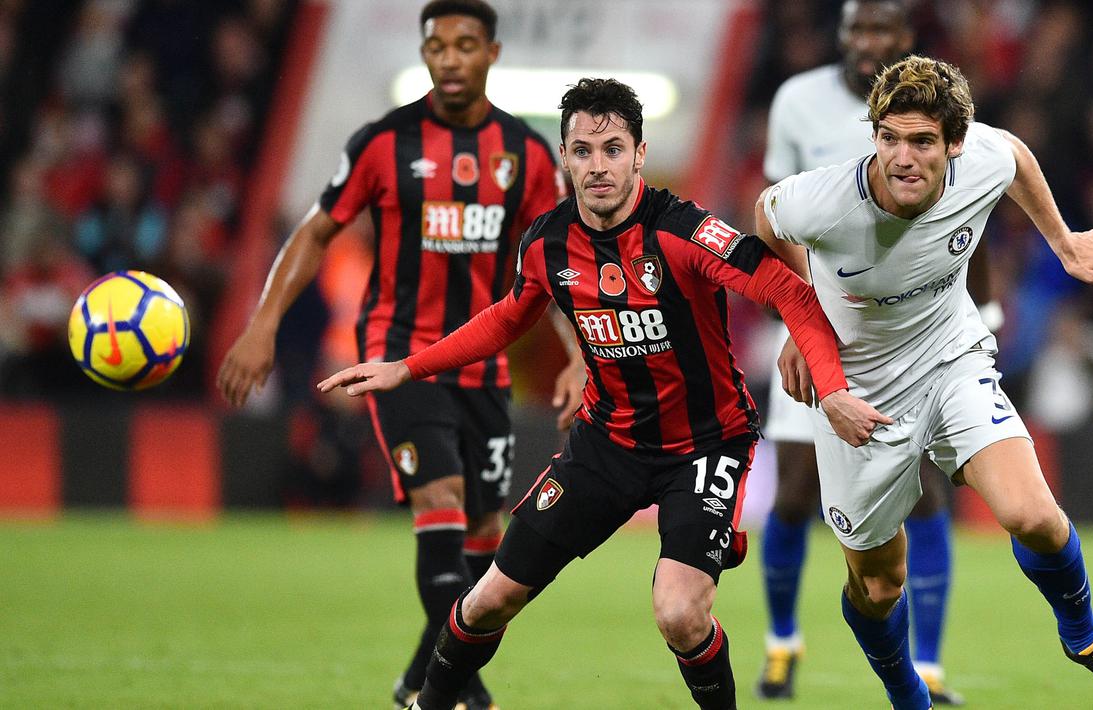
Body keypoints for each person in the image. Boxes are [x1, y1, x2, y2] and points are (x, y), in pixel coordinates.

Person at [318, 77, 889, 710]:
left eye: (613, 149)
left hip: (703, 448)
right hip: (606, 445)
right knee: (487, 601)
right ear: (564, 156)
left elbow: (792, 292)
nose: (598, 166)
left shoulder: (685, 232)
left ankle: (704, 539)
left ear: (639, 153)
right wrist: (410, 367)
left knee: (680, 614)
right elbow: (510, 316)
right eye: (583, 151)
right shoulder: (547, 242)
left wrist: (832, 391)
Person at [757, 55, 1093, 709]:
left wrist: (1061, 242)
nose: (902, 157)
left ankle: (1085, 637)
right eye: (889, 137)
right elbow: (764, 218)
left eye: (921, 141)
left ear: (953, 142)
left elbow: (1015, 155)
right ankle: (908, 698)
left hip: (952, 359)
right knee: (877, 586)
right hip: (858, 390)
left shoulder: (982, 158)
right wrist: (800, 318)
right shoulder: (822, 202)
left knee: (1031, 515)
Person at [215, 2, 581, 708]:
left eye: (464, 45)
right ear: (424, 54)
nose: (448, 58)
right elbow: (317, 231)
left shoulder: (529, 156)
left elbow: (555, 262)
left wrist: (575, 353)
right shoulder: (384, 141)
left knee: (485, 541)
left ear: (492, 54)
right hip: (399, 357)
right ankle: (461, 691)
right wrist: (263, 324)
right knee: (438, 504)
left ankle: (419, 679)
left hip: (484, 365)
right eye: (436, 45)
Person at [756, 2, 984, 702]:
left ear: (903, 40)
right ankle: (781, 644)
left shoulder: (939, 112)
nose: (866, 43)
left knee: (923, 492)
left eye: (880, 32)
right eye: (857, 31)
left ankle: (930, 660)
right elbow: (769, 209)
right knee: (793, 493)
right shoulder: (797, 100)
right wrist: (801, 314)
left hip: (910, 334)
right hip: (813, 323)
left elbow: (969, 211)